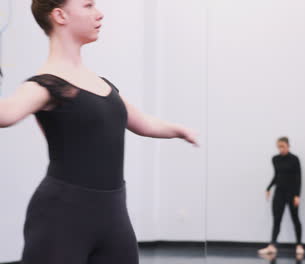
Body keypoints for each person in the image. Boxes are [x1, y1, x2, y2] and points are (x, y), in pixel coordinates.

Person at [0, 0, 197, 263]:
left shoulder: (102, 85)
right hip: (61, 216)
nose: (99, 13)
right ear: (60, 15)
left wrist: (180, 130)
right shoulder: (46, 85)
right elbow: (6, 114)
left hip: (114, 215)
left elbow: (144, 124)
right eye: (88, 5)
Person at [258, 137, 304, 256]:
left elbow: (298, 178)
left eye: (283, 146)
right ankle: (272, 245)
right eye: (279, 146)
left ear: (288, 146)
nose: (281, 149)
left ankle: (299, 244)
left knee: (295, 218)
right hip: (279, 193)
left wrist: (297, 195)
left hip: (291, 193)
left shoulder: (294, 159)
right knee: (277, 219)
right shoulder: (275, 159)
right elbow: (277, 175)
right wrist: (268, 188)